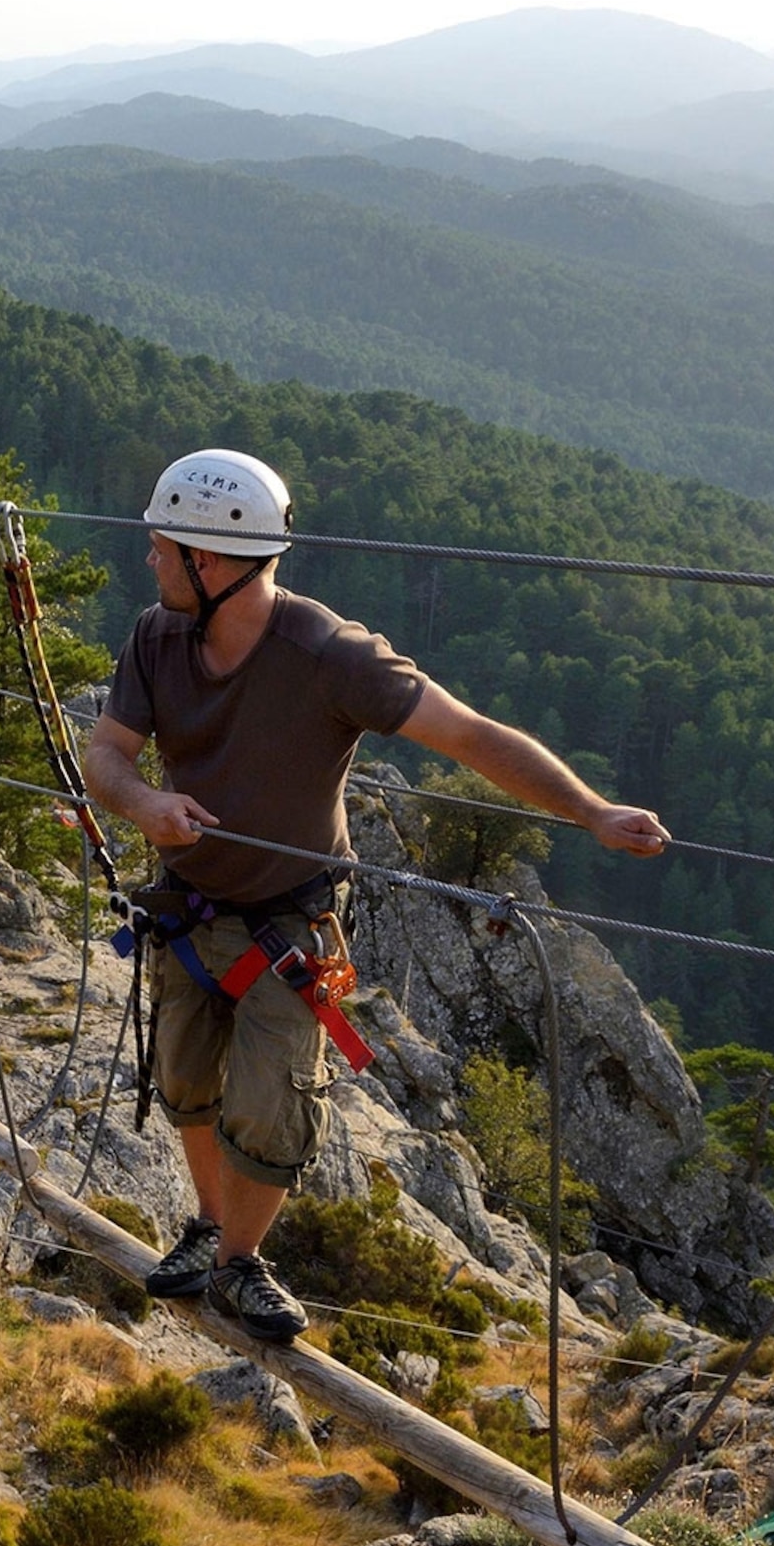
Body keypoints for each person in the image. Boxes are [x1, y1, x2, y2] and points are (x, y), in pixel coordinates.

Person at [79, 449, 668, 1342]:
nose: (150, 561)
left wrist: (588, 809)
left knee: (273, 1102)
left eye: (163, 548)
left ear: (212, 563)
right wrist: (147, 802)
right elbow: (106, 758)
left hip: (292, 921)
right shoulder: (157, 637)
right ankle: (208, 1228)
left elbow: (466, 733)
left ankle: (241, 1260)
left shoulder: (330, 656)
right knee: (187, 1082)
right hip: (190, 906)